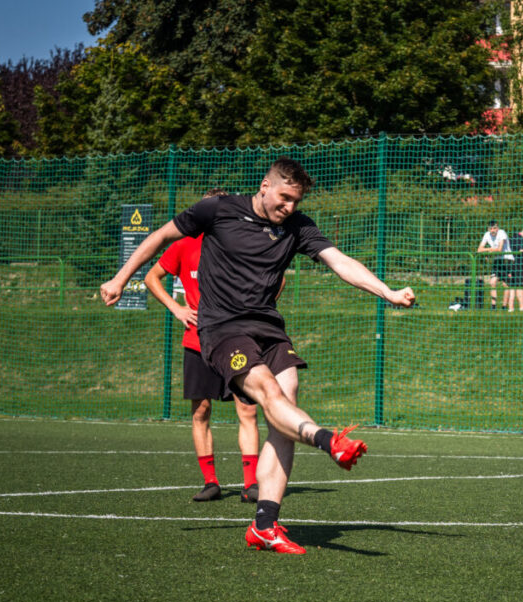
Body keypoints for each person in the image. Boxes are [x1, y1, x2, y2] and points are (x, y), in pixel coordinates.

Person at [101, 158, 416, 554]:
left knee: (288, 395)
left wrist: (386, 292)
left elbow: (340, 262)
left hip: (268, 327)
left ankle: (265, 524)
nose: (289, 208)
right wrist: (120, 277)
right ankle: (326, 440)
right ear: (265, 186)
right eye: (284, 198)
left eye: (296, 202)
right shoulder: (217, 210)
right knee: (268, 391)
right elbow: (160, 237)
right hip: (222, 331)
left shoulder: (298, 227)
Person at [144, 188, 262, 504]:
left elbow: (276, 278)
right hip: (198, 340)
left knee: (247, 410)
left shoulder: (241, 241)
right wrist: (177, 308)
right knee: (201, 411)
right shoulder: (184, 244)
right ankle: (210, 482)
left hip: (238, 338)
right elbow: (152, 277)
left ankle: (251, 484)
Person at [477, 220, 513, 309]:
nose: (493, 230)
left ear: (498, 228)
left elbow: (500, 249)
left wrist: (488, 251)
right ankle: (493, 306)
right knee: (492, 282)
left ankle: (504, 306)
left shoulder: (502, 233)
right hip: (497, 260)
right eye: (491, 228)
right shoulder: (486, 234)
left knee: (506, 284)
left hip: (507, 259)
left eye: (494, 228)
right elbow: (479, 249)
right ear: (488, 229)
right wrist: (490, 249)